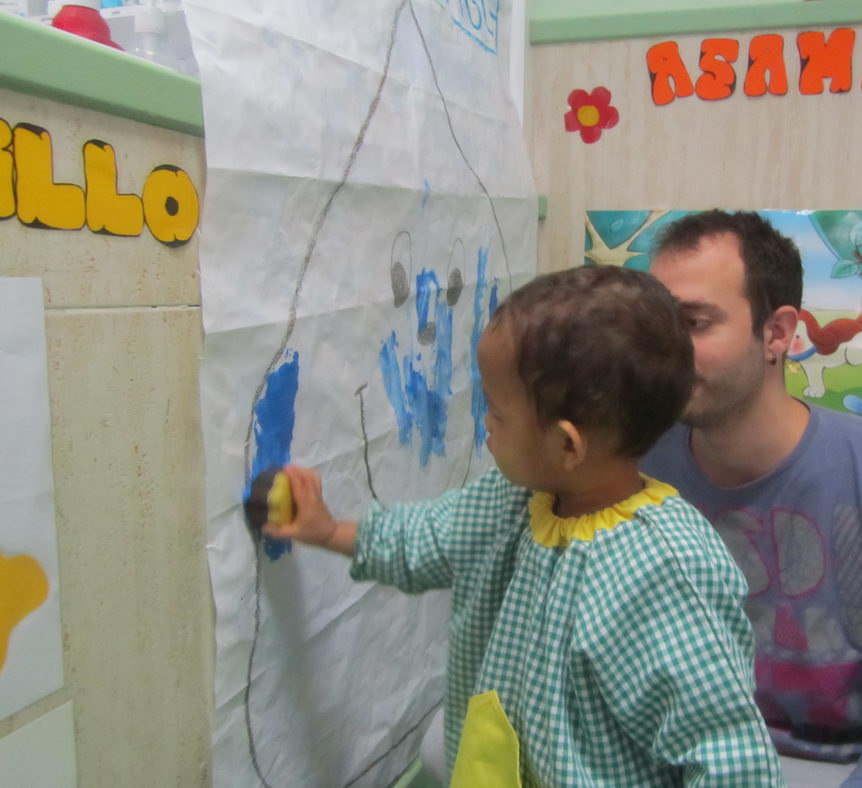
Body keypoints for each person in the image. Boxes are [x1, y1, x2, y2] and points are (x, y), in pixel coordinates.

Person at [264, 265, 785, 786]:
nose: (485, 423)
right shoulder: (516, 498)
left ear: (566, 445)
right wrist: (328, 531)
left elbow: (729, 759)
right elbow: (426, 539)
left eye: (496, 410)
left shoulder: (663, 571)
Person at [641, 210, 862, 787]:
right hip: (670, 753)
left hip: (827, 765)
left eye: (695, 324)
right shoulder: (633, 462)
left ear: (777, 333)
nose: (663, 353)